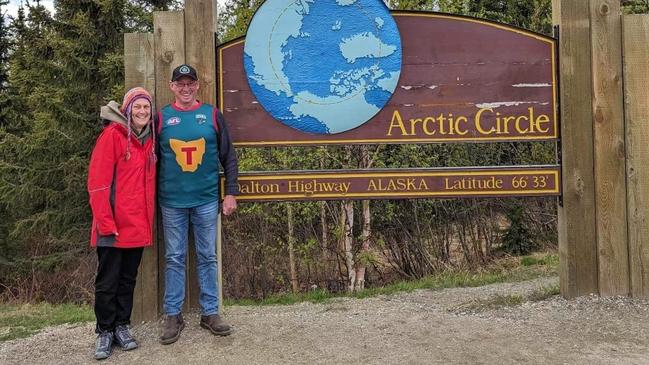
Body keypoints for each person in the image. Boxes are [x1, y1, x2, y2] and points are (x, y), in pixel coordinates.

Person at [157, 64, 239, 345]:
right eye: (180, 83)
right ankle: (172, 314)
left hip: (205, 199)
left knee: (207, 256)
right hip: (172, 202)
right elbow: (149, 161)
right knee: (174, 257)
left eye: (190, 83)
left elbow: (229, 156)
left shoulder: (212, 115)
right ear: (172, 87)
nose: (185, 88)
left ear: (197, 86)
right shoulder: (161, 118)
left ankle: (210, 312)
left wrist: (230, 192)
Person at [88, 87, 156, 359]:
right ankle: (104, 331)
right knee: (108, 281)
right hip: (112, 225)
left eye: (146, 108)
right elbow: (98, 183)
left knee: (128, 280)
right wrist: (105, 221)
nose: (142, 112)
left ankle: (121, 326)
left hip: (137, 223)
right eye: (137, 107)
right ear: (127, 110)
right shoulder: (112, 136)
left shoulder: (149, 140)